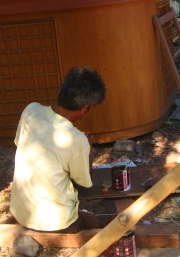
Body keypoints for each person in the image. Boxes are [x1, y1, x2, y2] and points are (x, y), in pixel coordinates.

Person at [10, 67, 133, 233]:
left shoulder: (31, 110)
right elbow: (84, 184)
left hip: (20, 212)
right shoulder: (76, 138)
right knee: (130, 204)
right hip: (57, 222)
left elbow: (22, 144)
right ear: (85, 108)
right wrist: (87, 150)